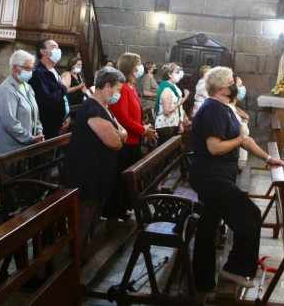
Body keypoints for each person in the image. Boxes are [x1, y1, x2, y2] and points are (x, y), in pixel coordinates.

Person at [190, 66, 284, 292]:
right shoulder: (212, 109)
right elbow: (214, 147)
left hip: (219, 174)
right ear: (221, 88)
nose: (236, 86)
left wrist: (269, 158)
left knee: (208, 223)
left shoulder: (225, 108)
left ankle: (201, 279)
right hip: (210, 175)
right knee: (250, 215)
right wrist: (239, 140)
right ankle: (234, 268)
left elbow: (245, 140)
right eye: (232, 82)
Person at [62, 67, 127, 260]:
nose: (119, 94)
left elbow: (122, 132)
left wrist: (120, 135)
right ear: (107, 85)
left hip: (98, 174)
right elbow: (114, 141)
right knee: (84, 219)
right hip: (87, 175)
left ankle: (83, 254)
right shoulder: (93, 108)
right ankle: (73, 262)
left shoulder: (104, 108)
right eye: (117, 89)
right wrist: (120, 136)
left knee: (92, 217)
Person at [105, 53, 157, 233]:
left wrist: (144, 128)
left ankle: (121, 209)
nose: (140, 66)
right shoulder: (123, 89)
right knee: (119, 180)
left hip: (134, 140)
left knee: (127, 180)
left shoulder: (131, 86)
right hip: (125, 142)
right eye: (138, 63)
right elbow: (122, 118)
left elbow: (136, 114)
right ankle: (112, 216)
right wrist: (143, 130)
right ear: (131, 66)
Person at [0, 50, 44, 155]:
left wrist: (39, 131)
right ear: (15, 68)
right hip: (8, 149)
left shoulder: (28, 87)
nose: (30, 72)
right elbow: (9, 122)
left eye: (32, 69)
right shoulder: (7, 89)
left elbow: (35, 114)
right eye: (27, 68)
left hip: (26, 145)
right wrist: (30, 138)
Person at [29, 39, 70, 139]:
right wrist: (63, 88)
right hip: (48, 125)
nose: (58, 50)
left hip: (62, 122)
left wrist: (67, 115)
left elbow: (64, 97)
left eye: (58, 47)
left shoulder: (56, 70)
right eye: (54, 47)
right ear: (42, 52)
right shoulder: (38, 73)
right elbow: (46, 100)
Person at [154, 62, 190, 146]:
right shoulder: (166, 89)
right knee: (164, 154)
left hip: (172, 123)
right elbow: (166, 111)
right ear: (169, 74)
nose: (179, 74)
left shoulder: (174, 86)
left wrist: (180, 122)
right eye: (177, 72)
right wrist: (179, 103)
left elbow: (178, 107)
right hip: (165, 125)